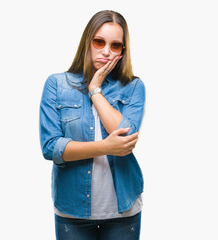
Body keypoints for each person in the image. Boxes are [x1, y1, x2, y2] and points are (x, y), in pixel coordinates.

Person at [39, 10, 146, 240]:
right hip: (72, 209)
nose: (106, 51)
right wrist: (107, 146)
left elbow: (126, 138)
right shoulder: (56, 84)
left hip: (123, 208)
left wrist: (95, 90)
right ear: (87, 42)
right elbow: (51, 147)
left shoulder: (134, 87)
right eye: (99, 42)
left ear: (122, 52)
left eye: (115, 46)